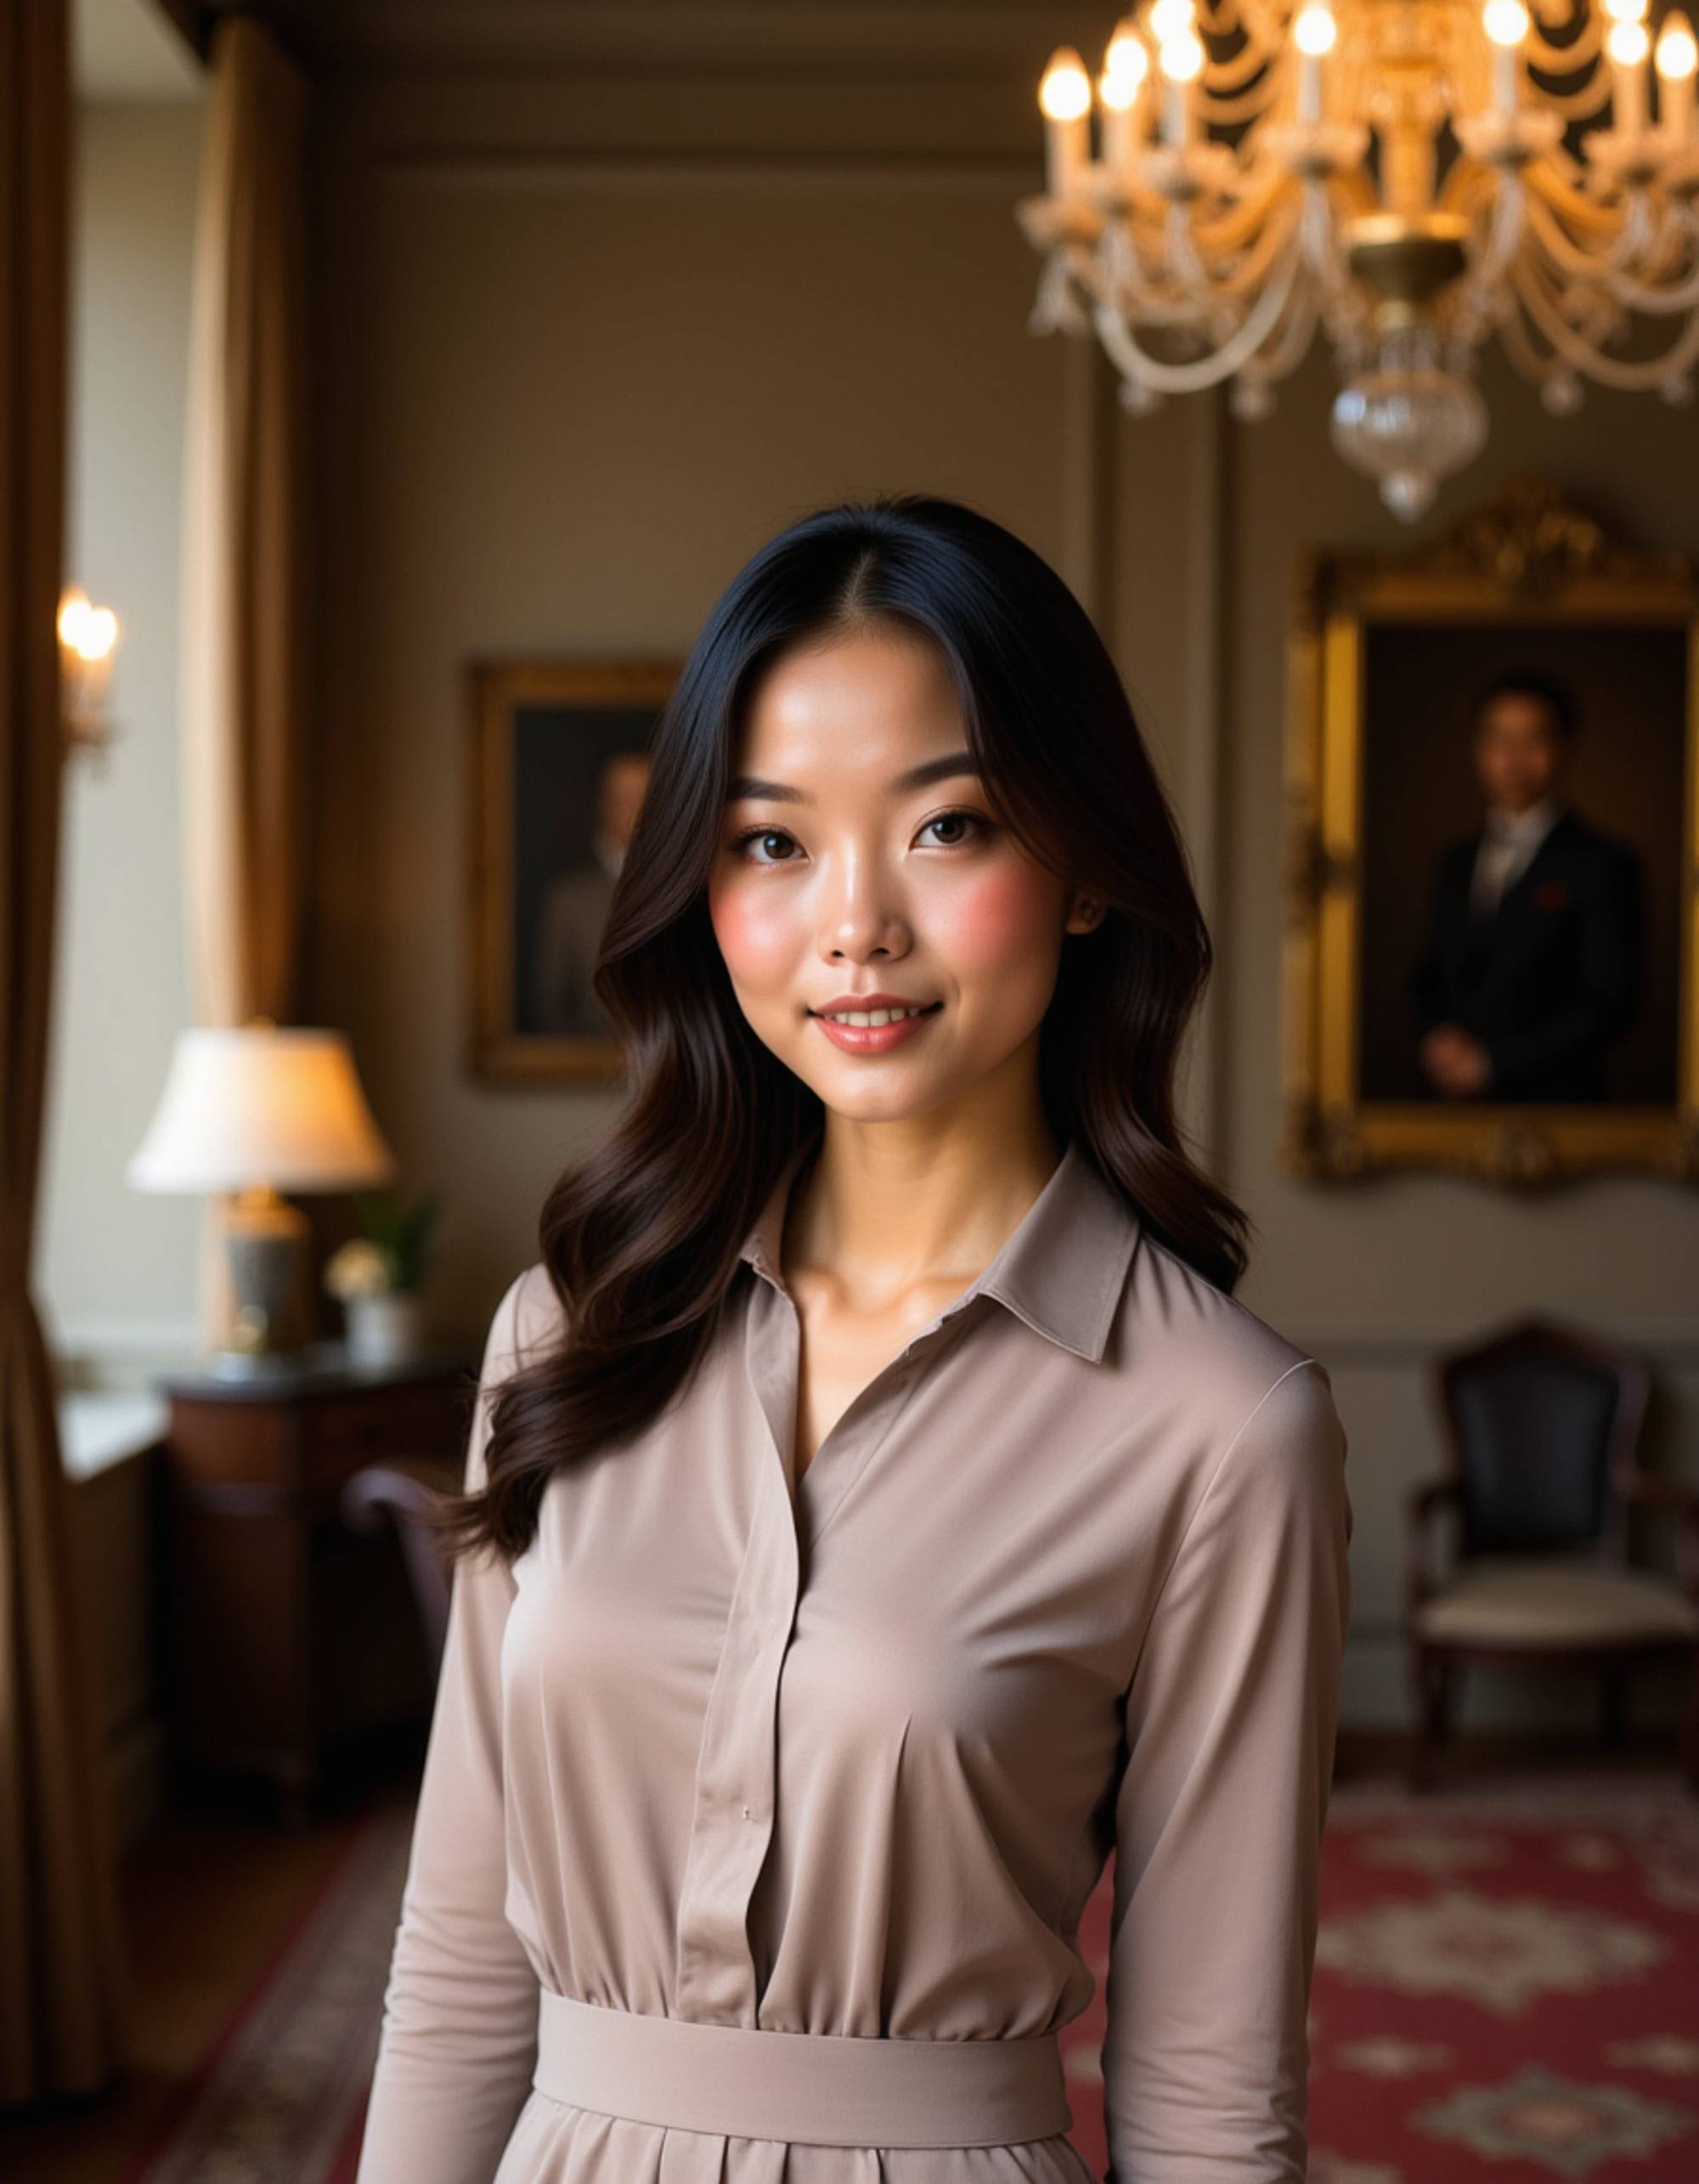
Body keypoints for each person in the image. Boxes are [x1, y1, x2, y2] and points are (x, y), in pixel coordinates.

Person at [355, 494, 1354, 2184]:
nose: (854, 924)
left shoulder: (1220, 1424)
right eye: (770, 841)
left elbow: (1208, 2090)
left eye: (946, 826)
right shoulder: (562, 1340)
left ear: (1088, 866)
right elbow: (459, 1970)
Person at [1408, 669, 1643, 1103]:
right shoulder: (1455, 862)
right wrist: (1437, 1042)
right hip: (1447, 1108)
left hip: (1561, 1106)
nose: (1514, 759)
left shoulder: (1605, 864)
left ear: (1566, 747)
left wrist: (1492, 1063)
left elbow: (1611, 1005)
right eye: (1500, 741)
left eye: (1533, 740)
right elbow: (1431, 973)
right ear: (1478, 750)